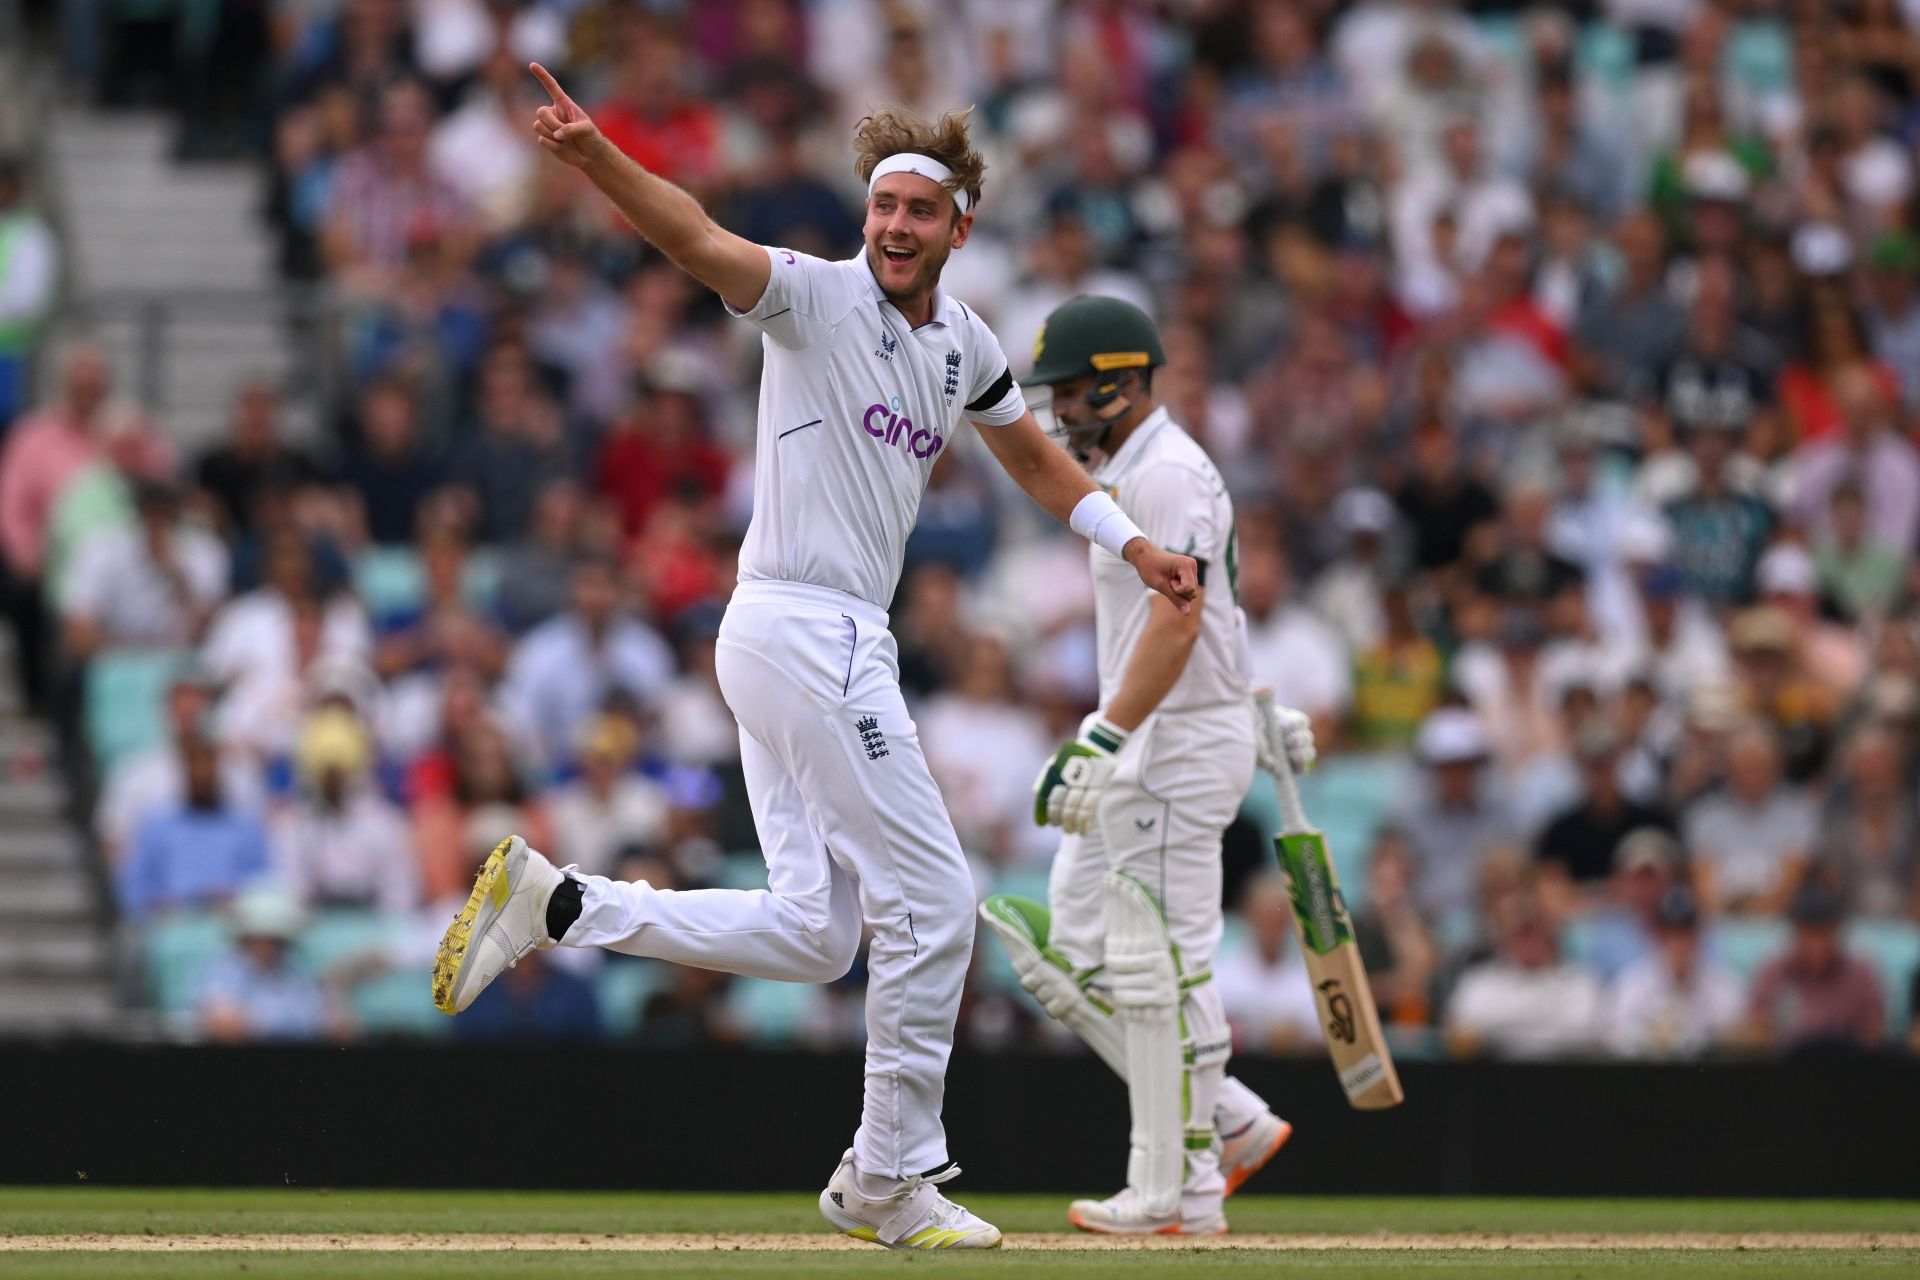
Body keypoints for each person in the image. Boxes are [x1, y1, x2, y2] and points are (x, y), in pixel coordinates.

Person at [431, 67, 1199, 1252]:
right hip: (802, 625)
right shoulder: (814, 299)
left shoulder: (967, 345)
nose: (894, 226)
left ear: (959, 224)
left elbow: (1036, 459)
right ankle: (887, 1177)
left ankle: (563, 901)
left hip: (807, 642)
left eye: (918, 211)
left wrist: (1132, 539)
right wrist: (595, 160)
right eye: (882, 206)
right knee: (937, 901)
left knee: (818, 932)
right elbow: (692, 235)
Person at [977, 296, 1314, 1236]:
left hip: (1169, 737)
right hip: (1160, 728)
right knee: (1070, 953)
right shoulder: (1137, 467)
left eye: (1074, 393)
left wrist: (1104, 735)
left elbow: (1182, 618)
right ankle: (1232, 1122)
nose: (1060, 412)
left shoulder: (1162, 474)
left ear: (1123, 382)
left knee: (1161, 960)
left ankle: (1179, 1192)